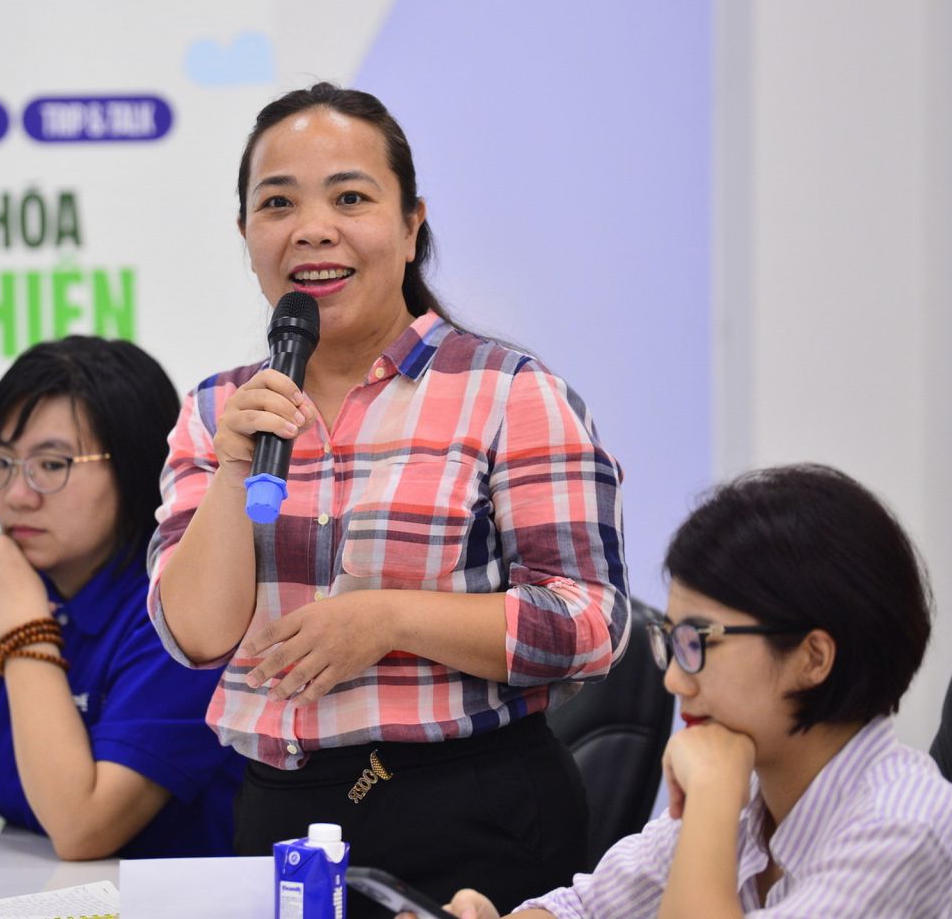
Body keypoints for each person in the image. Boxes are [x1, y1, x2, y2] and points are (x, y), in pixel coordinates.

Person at [147, 83, 628, 909]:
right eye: (278, 203)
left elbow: (590, 625)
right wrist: (231, 471)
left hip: (470, 819)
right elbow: (192, 635)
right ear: (247, 234)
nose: (312, 228)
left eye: (350, 198)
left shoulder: (508, 393)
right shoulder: (220, 409)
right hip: (279, 816)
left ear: (411, 226)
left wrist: (390, 619)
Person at [430, 464, 952, 919]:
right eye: (670, 642)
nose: (673, 678)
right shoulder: (748, 783)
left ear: (813, 658)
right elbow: (585, 909)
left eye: (696, 642)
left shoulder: (904, 831)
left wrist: (713, 802)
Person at [0, 336, 244, 860]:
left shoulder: (181, 607)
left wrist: (24, 628)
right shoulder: (23, 587)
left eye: (51, 465)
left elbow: (82, 828)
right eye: (1, 461)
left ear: (135, 466)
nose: (16, 495)